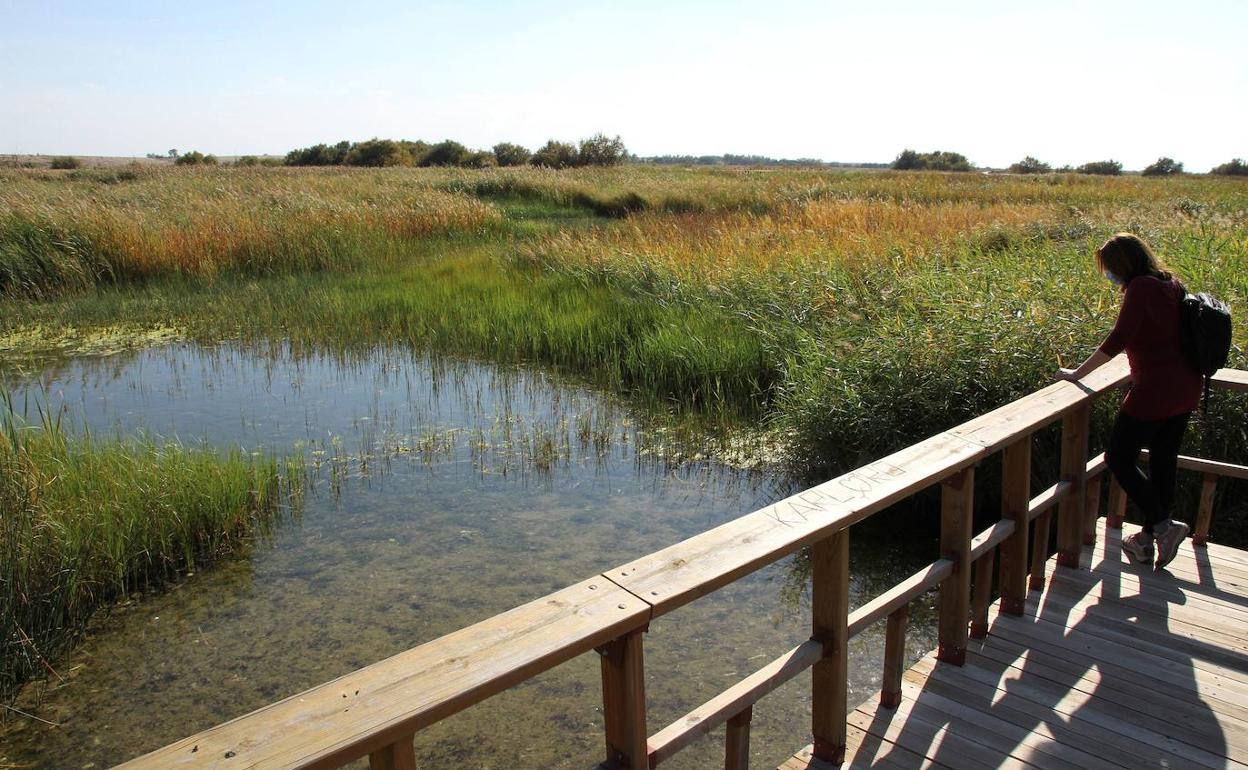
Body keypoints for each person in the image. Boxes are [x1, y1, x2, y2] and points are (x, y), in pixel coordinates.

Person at [1055, 233, 1202, 570]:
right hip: (1186, 387)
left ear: (1122, 264)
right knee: (1163, 463)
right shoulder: (1171, 284)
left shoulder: (1141, 288)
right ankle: (1149, 542)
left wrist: (1079, 374)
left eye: (1108, 268)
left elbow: (1120, 337)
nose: (1108, 274)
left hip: (1155, 390)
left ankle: (1165, 526)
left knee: (1118, 457)